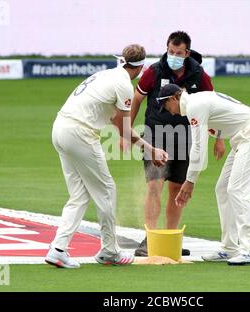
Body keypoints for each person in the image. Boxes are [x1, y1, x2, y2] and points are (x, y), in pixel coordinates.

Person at [45, 44, 168, 269]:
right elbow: (123, 129)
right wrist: (151, 149)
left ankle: (57, 249)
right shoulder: (123, 85)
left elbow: (114, 119)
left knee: (80, 195)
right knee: (107, 190)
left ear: (122, 60)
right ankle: (109, 251)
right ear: (140, 68)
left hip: (60, 129)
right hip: (79, 133)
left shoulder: (105, 75)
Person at [129, 31, 224, 257]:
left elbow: (214, 105)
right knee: (154, 186)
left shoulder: (199, 75)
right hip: (156, 134)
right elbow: (137, 98)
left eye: (178, 53)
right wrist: (127, 131)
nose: (173, 56)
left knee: (176, 189)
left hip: (185, 135)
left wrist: (219, 138)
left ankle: (171, 238)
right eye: (170, 51)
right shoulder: (154, 71)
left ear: (187, 53)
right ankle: (150, 238)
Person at [158, 84, 250, 265]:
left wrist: (190, 181)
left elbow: (198, 147)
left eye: (166, 107)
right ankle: (229, 248)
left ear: (173, 98)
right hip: (241, 137)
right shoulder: (195, 103)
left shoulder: (194, 106)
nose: (170, 112)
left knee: (236, 190)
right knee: (222, 189)